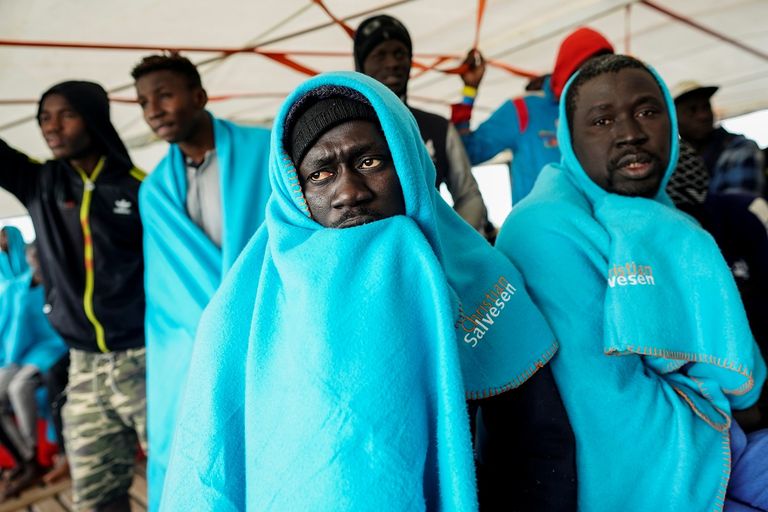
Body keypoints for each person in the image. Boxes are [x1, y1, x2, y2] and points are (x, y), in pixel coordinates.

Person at [160, 72, 576, 511]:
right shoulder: (240, 311)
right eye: (320, 173)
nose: (349, 193)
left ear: (410, 163)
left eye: (370, 162)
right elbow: (208, 466)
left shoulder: (478, 279)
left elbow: (538, 445)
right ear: (293, 191)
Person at [496, 54, 768, 511]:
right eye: (601, 120)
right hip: (647, 475)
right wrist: (721, 406)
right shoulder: (544, 227)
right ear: (569, 139)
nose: (630, 134)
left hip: (712, 435)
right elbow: (605, 408)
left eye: (647, 111)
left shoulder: (657, 217)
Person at [131, 53, 272, 510]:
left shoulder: (267, 150)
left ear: (200, 96)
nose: (153, 109)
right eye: (143, 102)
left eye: (165, 95)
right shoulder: (153, 192)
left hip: (268, 322)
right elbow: (166, 293)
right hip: (192, 343)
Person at [0, 81, 147, 512]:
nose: (51, 127)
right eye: (44, 117)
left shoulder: (139, 188)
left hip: (146, 361)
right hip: (82, 366)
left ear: (93, 117)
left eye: (65, 115)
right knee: (95, 499)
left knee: (181, 476)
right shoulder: (39, 183)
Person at [353, 15, 491, 235]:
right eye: (380, 55)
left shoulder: (438, 128)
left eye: (400, 53)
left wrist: (451, 244)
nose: (392, 63)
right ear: (361, 65)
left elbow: (468, 195)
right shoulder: (344, 131)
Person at [452, 27, 614, 205]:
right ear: (569, 68)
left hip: (596, 227)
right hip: (538, 230)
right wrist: (469, 92)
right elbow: (466, 154)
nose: (598, 81)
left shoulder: (611, 113)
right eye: (589, 71)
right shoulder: (523, 110)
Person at [0, 242, 68, 498]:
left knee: (19, 389)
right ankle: (25, 459)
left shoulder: (56, 284)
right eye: (31, 259)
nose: (35, 263)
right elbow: (13, 329)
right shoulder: (19, 287)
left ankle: (31, 452)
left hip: (50, 350)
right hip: (23, 353)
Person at [673, 80, 765, 196]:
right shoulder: (674, 159)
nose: (703, 116)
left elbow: (737, 208)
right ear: (674, 119)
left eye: (706, 107)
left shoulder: (739, 149)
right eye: (692, 110)